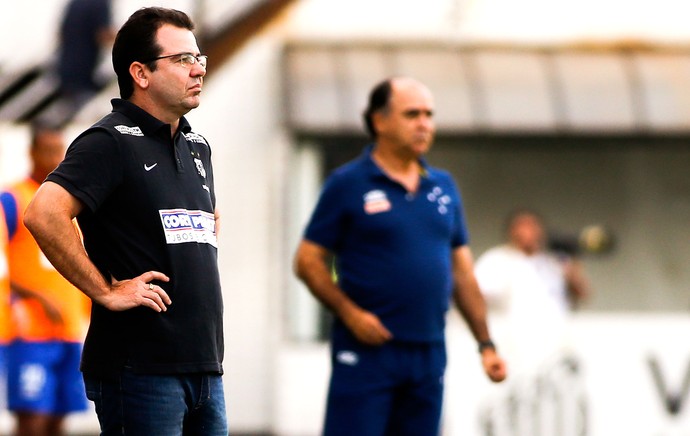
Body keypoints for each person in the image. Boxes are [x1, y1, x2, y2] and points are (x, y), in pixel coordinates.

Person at [23, 7, 226, 435]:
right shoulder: (109, 141)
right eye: (183, 60)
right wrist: (106, 290)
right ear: (141, 73)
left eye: (199, 58)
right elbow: (43, 213)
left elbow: (200, 228)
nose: (198, 70)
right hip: (141, 370)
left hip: (205, 366)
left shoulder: (196, 146)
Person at [294, 77, 507, 436]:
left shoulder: (443, 186)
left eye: (429, 114)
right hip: (367, 352)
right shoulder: (348, 183)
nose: (424, 123)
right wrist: (350, 313)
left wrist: (486, 344)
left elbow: (462, 273)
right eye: (412, 114)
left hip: (428, 351)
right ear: (379, 121)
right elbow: (307, 261)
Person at [0, 124, 90, 436]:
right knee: (32, 417)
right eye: (48, 150)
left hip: (69, 331)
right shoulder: (12, 200)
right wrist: (36, 297)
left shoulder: (72, 207)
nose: (55, 158)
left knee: (58, 417)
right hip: (29, 333)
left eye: (60, 151)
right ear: (32, 152)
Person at [474, 209, 590, 371]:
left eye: (533, 226)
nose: (529, 232)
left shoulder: (554, 261)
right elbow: (476, 297)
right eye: (523, 226)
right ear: (512, 231)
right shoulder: (496, 259)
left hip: (554, 342)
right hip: (513, 342)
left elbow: (582, 294)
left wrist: (572, 259)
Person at [51, 0, 116, 126]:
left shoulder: (74, 3)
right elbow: (103, 34)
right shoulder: (100, 4)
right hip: (85, 74)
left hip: (66, 70)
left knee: (67, 119)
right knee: (84, 123)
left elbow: (60, 34)